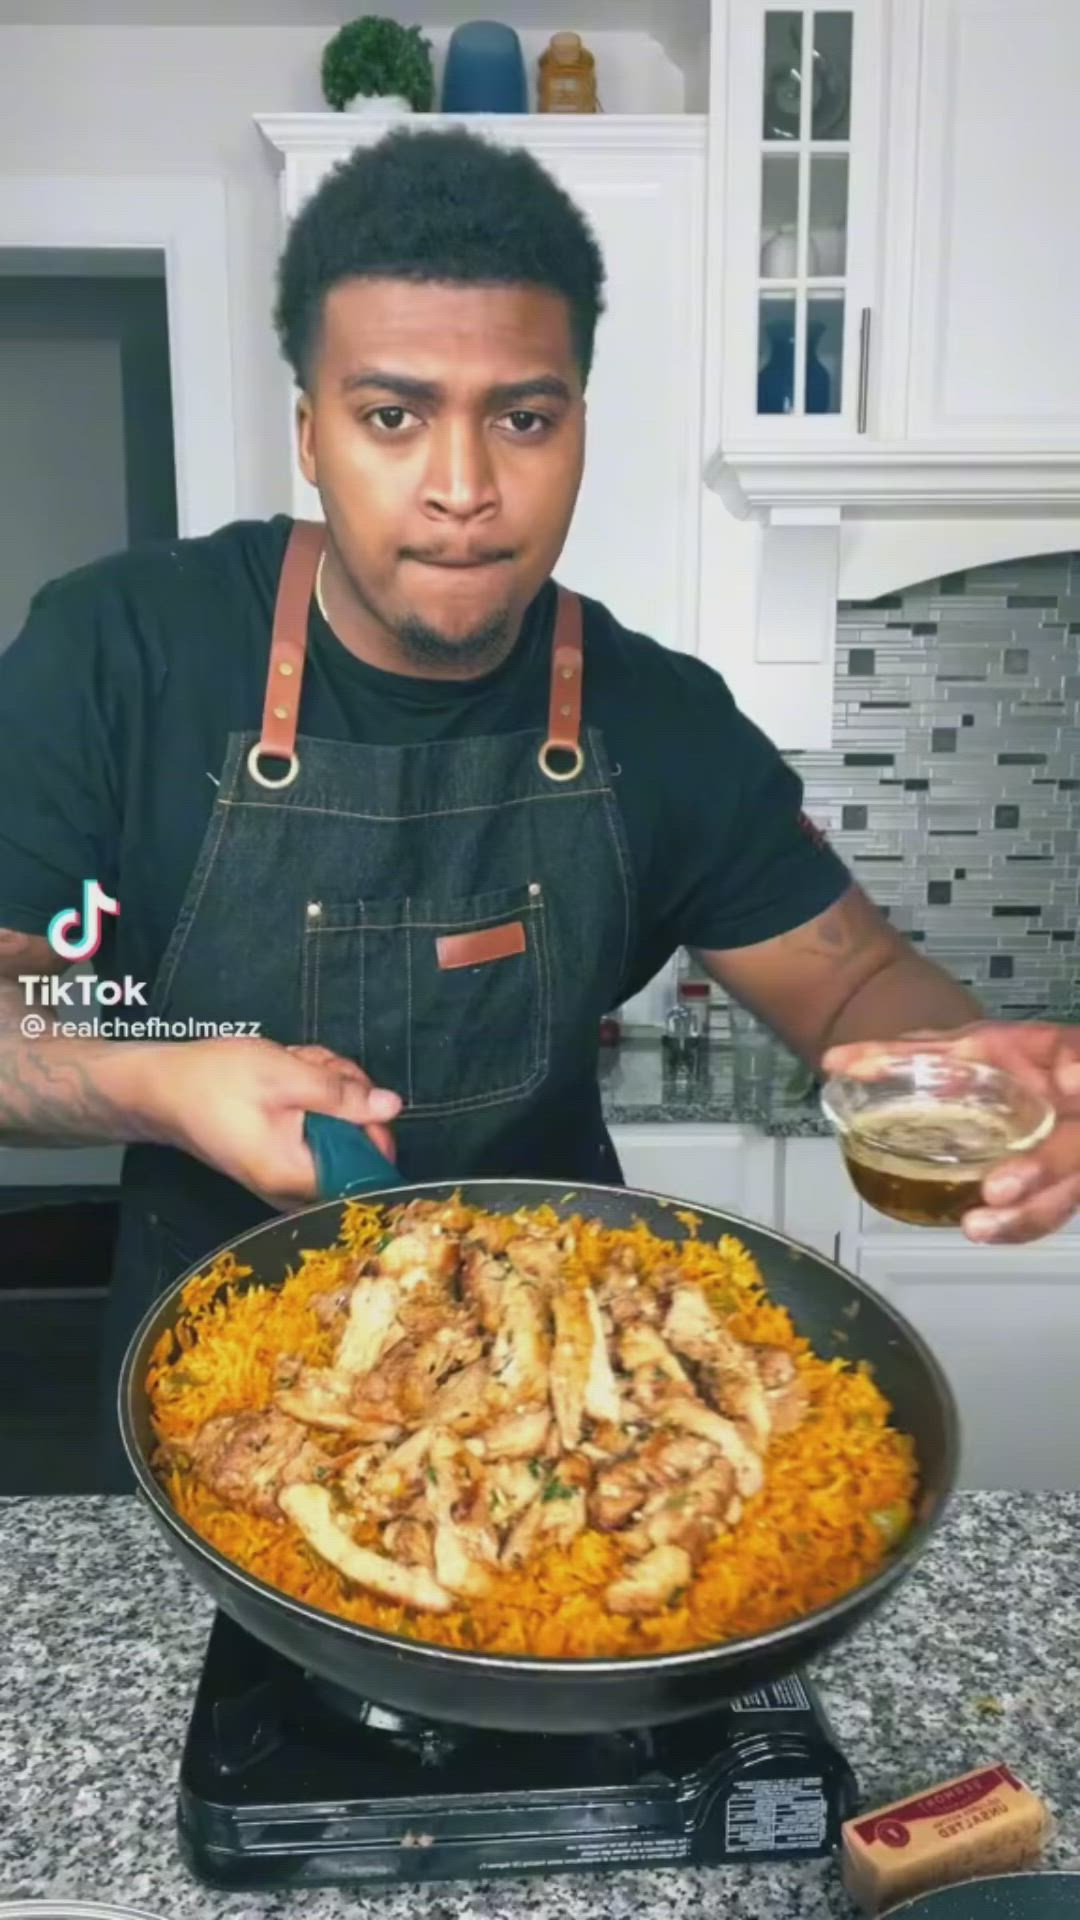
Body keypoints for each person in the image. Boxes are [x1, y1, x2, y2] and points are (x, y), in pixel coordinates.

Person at [0, 128, 1075, 1489]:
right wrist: (155, 1078)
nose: (463, 488)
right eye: (392, 415)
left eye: (523, 416)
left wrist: (973, 1071)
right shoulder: (116, 655)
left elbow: (853, 979)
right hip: (218, 1409)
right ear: (311, 436)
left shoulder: (662, 717)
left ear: (576, 424)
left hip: (566, 1415)